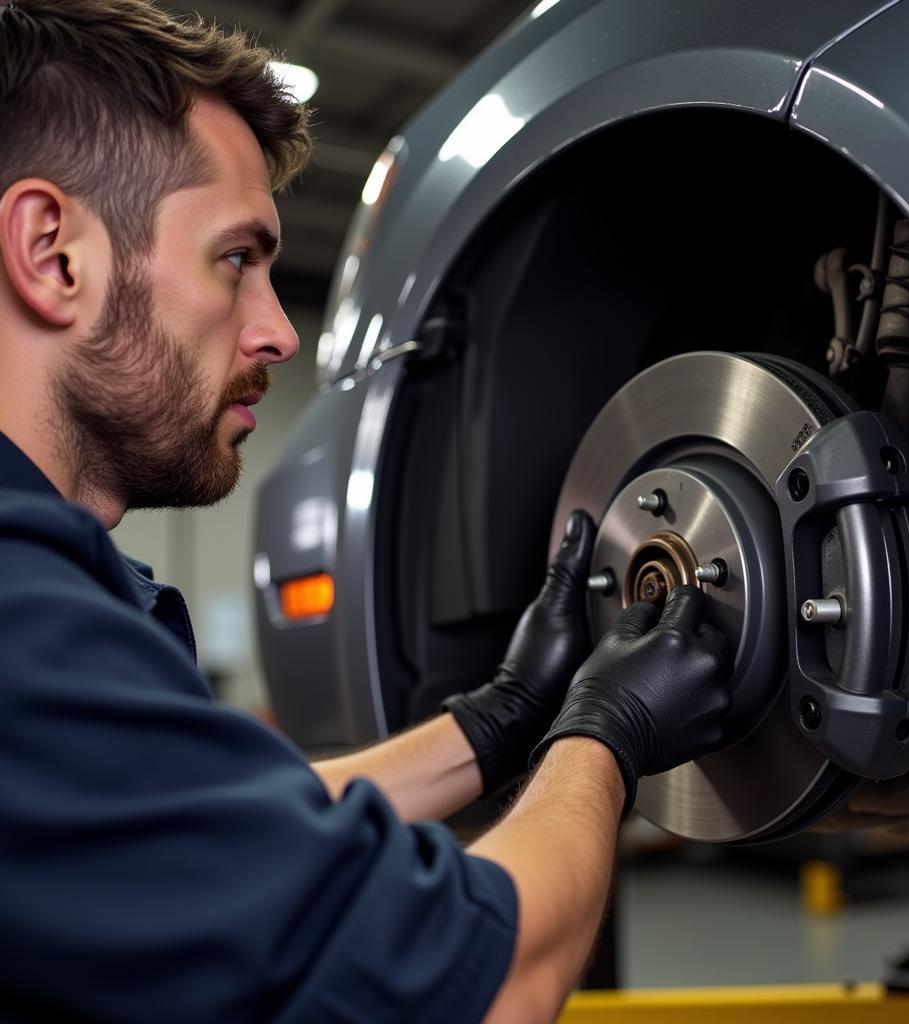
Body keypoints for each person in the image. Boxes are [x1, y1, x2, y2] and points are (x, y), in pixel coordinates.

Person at [0, 2, 732, 1021]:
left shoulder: (50, 606)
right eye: (236, 259)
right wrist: (605, 731)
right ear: (53, 252)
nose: (277, 333)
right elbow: (491, 978)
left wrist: (503, 715)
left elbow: (238, 846)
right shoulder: (20, 625)